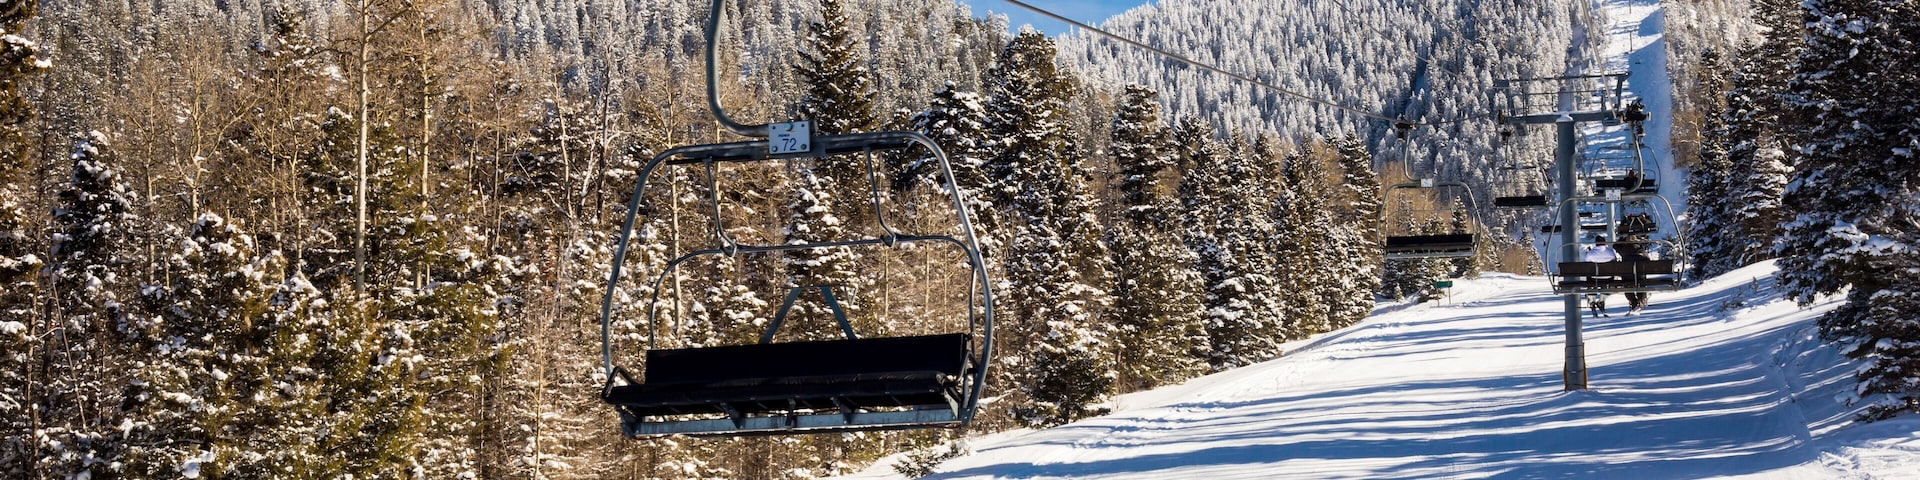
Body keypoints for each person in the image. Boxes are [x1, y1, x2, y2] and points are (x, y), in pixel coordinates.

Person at [1582, 236, 1620, 317]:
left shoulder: (1591, 253)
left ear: (1596, 244)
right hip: (1608, 278)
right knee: (1608, 281)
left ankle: (1592, 300)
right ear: (1605, 243)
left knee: (1589, 277)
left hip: (1594, 278)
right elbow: (1615, 263)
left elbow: (1586, 265)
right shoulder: (1610, 252)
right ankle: (1601, 300)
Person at [1615, 234, 1653, 314]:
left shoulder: (1624, 250)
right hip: (1639, 277)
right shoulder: (1641, 250)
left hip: (1628, 277)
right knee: (1641, 281)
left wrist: (1621, 238)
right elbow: (1648, 261)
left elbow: (1615, 246)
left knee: (1627, 283)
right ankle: (1641, 299)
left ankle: (1633, 300)